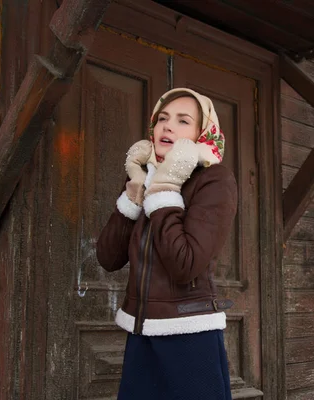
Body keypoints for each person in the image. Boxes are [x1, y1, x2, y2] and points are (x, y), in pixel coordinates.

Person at [96, 88, 237, 400]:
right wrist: (134, 195)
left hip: (190, 336)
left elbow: (184, 264)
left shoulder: (214, 180)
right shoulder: (145, 178)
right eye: (162, 118)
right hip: (142, 333)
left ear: (202, 133)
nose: (168, 126)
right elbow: (107, 257)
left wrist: (165, 190)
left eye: (183, 120)